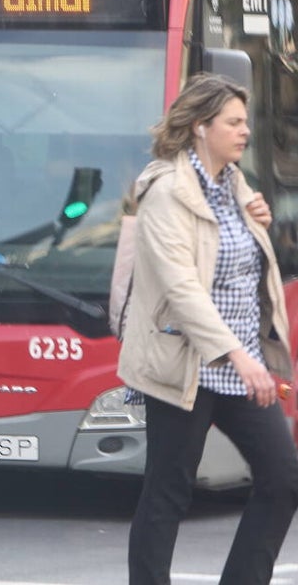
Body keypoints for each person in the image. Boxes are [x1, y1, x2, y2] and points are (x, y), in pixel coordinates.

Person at [119, 74, 298, 585]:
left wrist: (257, 223)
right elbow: (182, 289)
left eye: (245, 121)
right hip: (187, 365)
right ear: (201, 127)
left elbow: (244, 270)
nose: (245, 131)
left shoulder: (233, 185)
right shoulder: (167, 192)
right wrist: (237, 355)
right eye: (233, 122)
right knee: (168, 492)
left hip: (242, 367)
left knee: (283, 479)